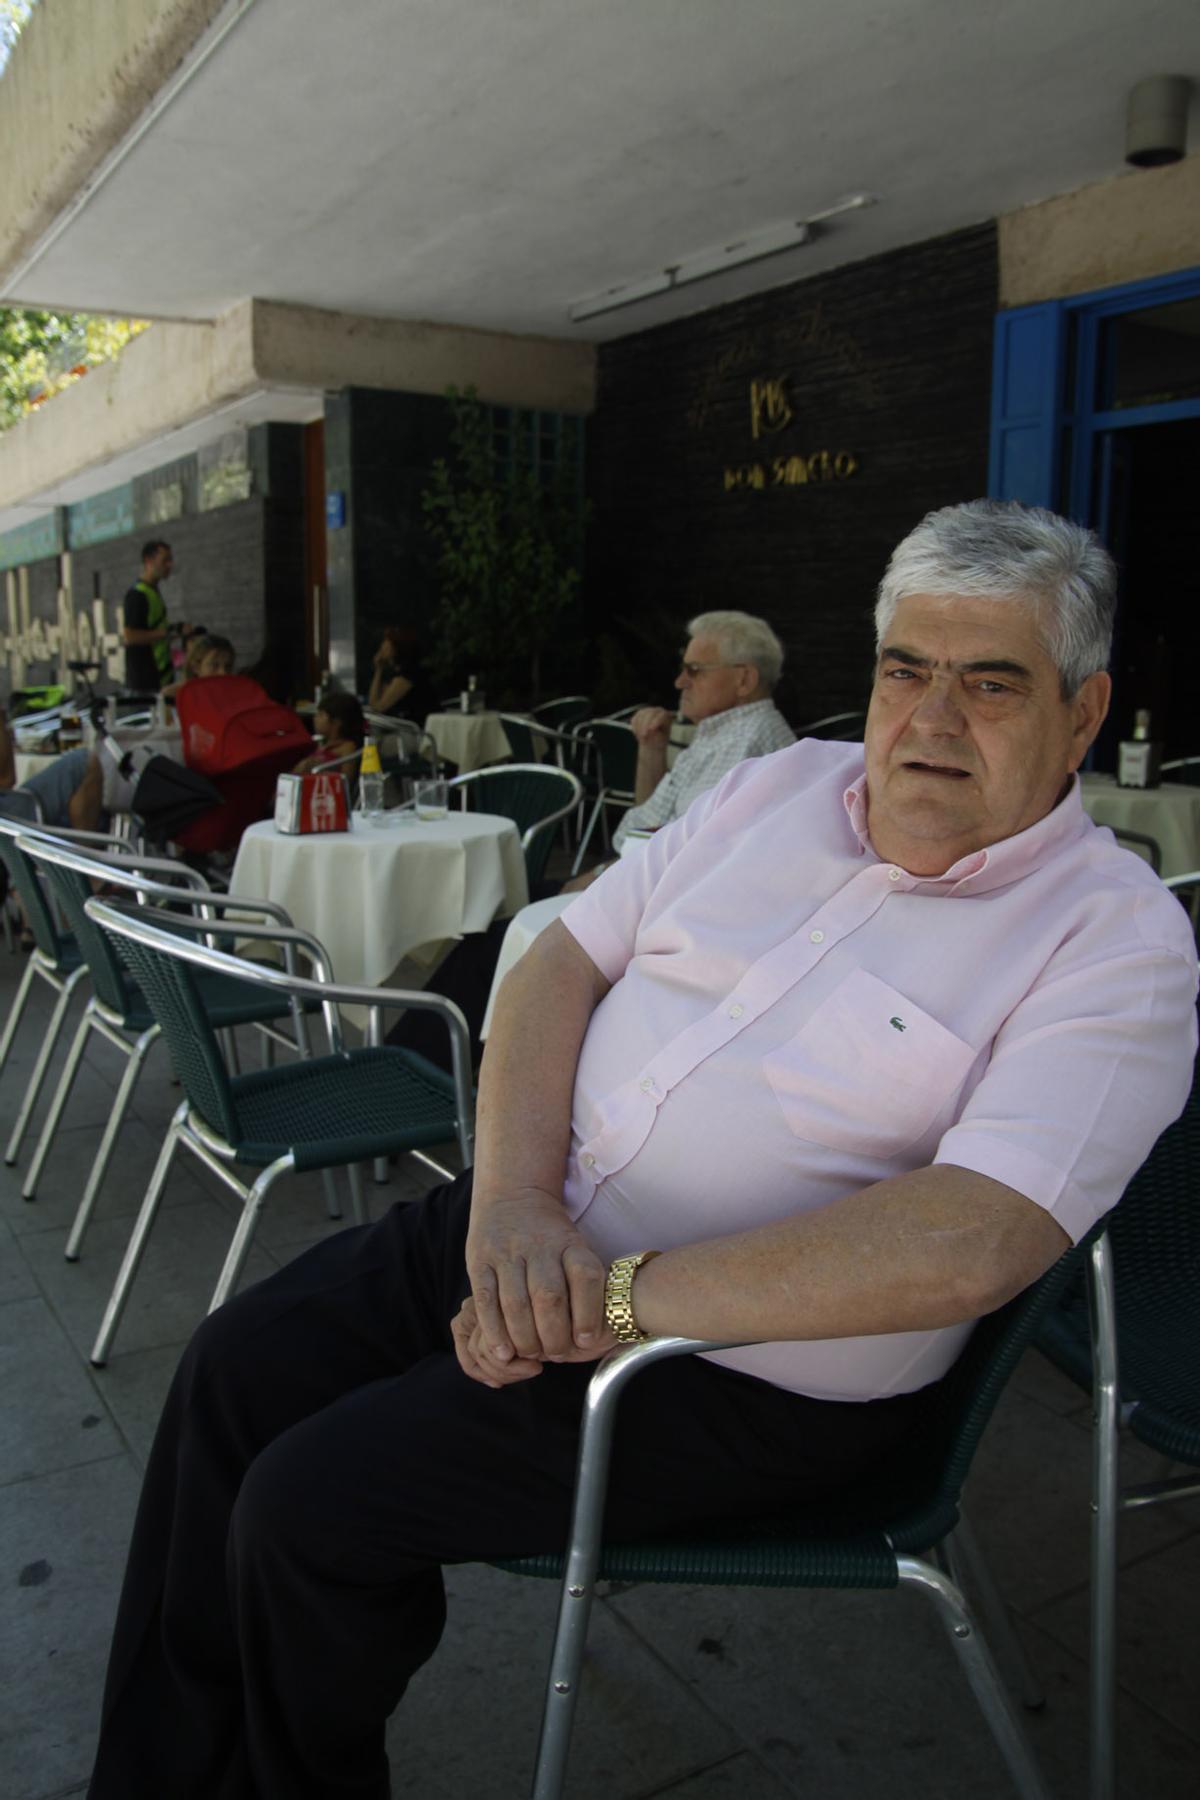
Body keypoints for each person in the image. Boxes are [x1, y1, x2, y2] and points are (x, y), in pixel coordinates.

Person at [86, 500, 1198, 1800]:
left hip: (733, 1369)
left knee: (307, 1512)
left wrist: (610, 1303)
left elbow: (976, 1238)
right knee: (229, 1372)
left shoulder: (1114, 943)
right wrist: (507, 1206)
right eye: (907, 670)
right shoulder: (779, 790)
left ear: (1084, 710)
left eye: (992, 683)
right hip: (528, 1223)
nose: (933, 719)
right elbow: (560, 951)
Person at [571, 610, 795, 891]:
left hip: (653, 894)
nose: (680, 682)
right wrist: (652, 749)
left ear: (744, 680)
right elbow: (651, 822)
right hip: (635, 873)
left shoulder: (747, 744)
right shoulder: (723, 732)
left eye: (695, 670)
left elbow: (682, 861)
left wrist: (599, 876)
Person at [122, 541, 174, 694]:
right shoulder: (138, 594)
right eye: (165, 560)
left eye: (170, 560)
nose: (169, 565)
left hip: (159, 675)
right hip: (145, 679)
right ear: (148, 561)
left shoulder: (152, 591)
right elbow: (131, 635)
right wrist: (167, 632)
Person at [367, 624, 434, 723]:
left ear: (396, 647)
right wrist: (378, 670)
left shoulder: (408, 675)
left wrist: (378, 670)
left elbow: (378, 708)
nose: (382, 646)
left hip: (418, 730)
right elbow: (373, 704)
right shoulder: (396, 673)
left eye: (386, 643)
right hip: (406, 728)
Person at [292, 690, 365, 774]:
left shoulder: (347, 747)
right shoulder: (323, 744)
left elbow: (346, 780)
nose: (315, 718)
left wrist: (320, 769)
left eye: (321, 715)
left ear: (337, 722)